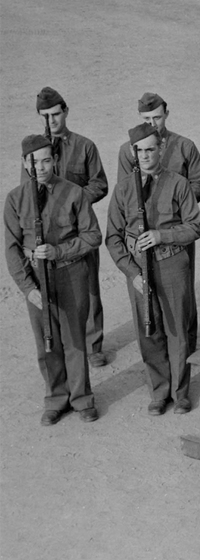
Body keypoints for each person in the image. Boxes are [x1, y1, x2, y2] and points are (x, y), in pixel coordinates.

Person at [106, 123, 200, 415]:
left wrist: (163, 235)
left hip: (172, 264)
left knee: (177, 330)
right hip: (139, 269)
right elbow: (113, 237)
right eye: (140, 151)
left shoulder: (178, 184)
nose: (146, 156)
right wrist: (132, 274)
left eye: (151, 149)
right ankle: (159, 391)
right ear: (132, 152)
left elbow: (195, 226)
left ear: (161, 148)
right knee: (148, 330)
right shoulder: (124, 189)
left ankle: (180, 392)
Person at [5, 134, 102, 425]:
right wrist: (28, 288)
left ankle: (82, 398)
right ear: (25, 163)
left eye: (47, 160)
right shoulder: (15, 199)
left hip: (71, 274)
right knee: (46, 342)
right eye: (35, 162)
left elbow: (93, 236)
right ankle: (56, 399)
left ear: (55, 160)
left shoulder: (74, 193)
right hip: (37, 279)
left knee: (74, 340)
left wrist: (59, 251)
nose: (41, 167)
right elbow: (11, 248)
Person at [117, 92, 200, 352]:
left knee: (182, 295)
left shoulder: (184, 146)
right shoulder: (128, 150)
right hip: (143, 232)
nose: (153, 123)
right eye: (147, 118)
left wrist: (177, 204)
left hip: (178, 230)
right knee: (148, 297)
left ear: (166, 114)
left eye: (157, 117)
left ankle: (186, 345)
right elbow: (126, 190)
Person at [25, 87, 108, 368]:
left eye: (55, 114)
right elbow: (26, 191)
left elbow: (100, 183)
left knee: (89, 289)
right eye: (45, 116)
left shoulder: (85, 146)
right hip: (48, 234)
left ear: (66, 112)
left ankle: (93, 345)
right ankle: (62, 344)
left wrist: (74, 200)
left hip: (81, 229)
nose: (51, 121)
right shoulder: (34, 152)